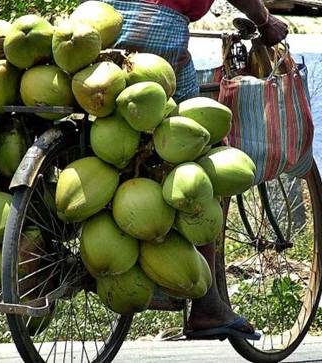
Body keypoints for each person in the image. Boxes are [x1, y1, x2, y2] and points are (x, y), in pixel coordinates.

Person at [96, 0, 289, 340]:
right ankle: (207, 306)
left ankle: (33, 269)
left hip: (96, 26)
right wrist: (265, 20)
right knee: (199, 153)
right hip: (158, 29)